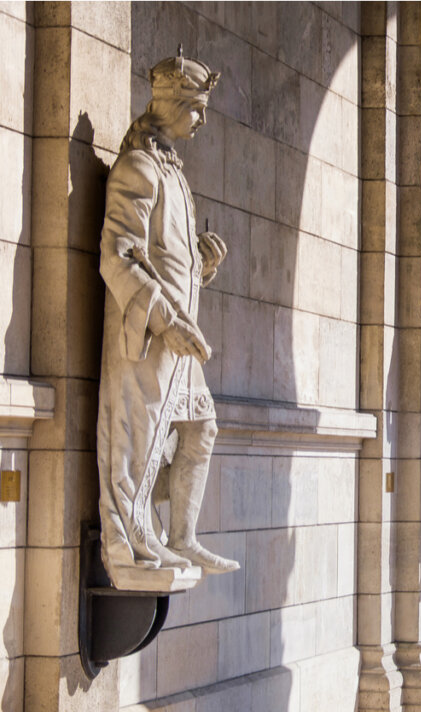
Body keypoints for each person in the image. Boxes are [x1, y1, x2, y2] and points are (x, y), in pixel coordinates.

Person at [97, 51, 238, 590]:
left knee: (200, 427)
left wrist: (203, 264)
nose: (200, 120)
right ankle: (129, 542)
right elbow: (118, 255)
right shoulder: (137, 166)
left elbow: (166, 259)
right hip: (148, 334)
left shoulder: (172, 172)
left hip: (179, 334)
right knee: (139, 438)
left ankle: (180, 535)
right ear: (172, 103)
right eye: (196, 108)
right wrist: (163, 321)